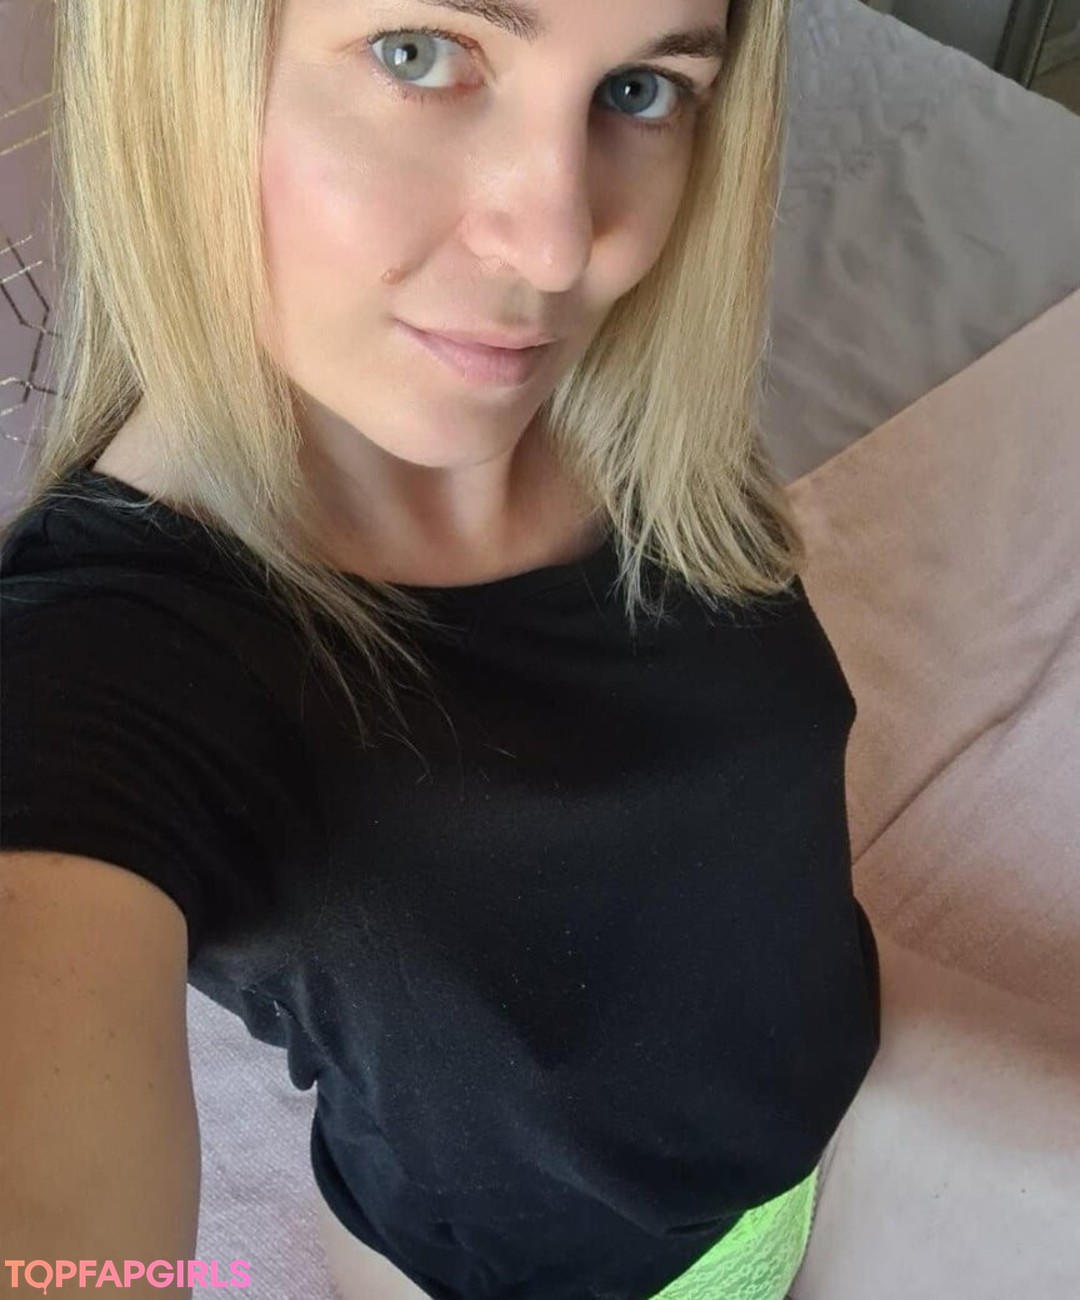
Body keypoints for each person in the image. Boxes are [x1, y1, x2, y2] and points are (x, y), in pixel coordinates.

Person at [0, 1, 882, 1297]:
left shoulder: (628, 412)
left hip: (800, 1176)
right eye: (418, 53)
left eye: (639, 89)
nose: (563, 244)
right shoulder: (105, 661)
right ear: (184, 63)